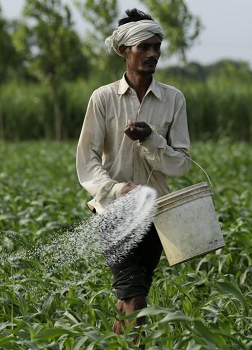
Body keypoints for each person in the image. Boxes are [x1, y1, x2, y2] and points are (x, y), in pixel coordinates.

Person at [76, 8, 191, 335]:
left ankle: (116, 342)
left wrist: (151, 139)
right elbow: (87, 161)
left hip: (157, 214)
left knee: (131, 296)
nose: (153, 53)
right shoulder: (103, 99)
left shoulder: (173, 100)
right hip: (113, 213)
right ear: (125, 51)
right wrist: (116, 189)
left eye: (156, 46)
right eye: (144, 47)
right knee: (135, 297)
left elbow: (181, 163)